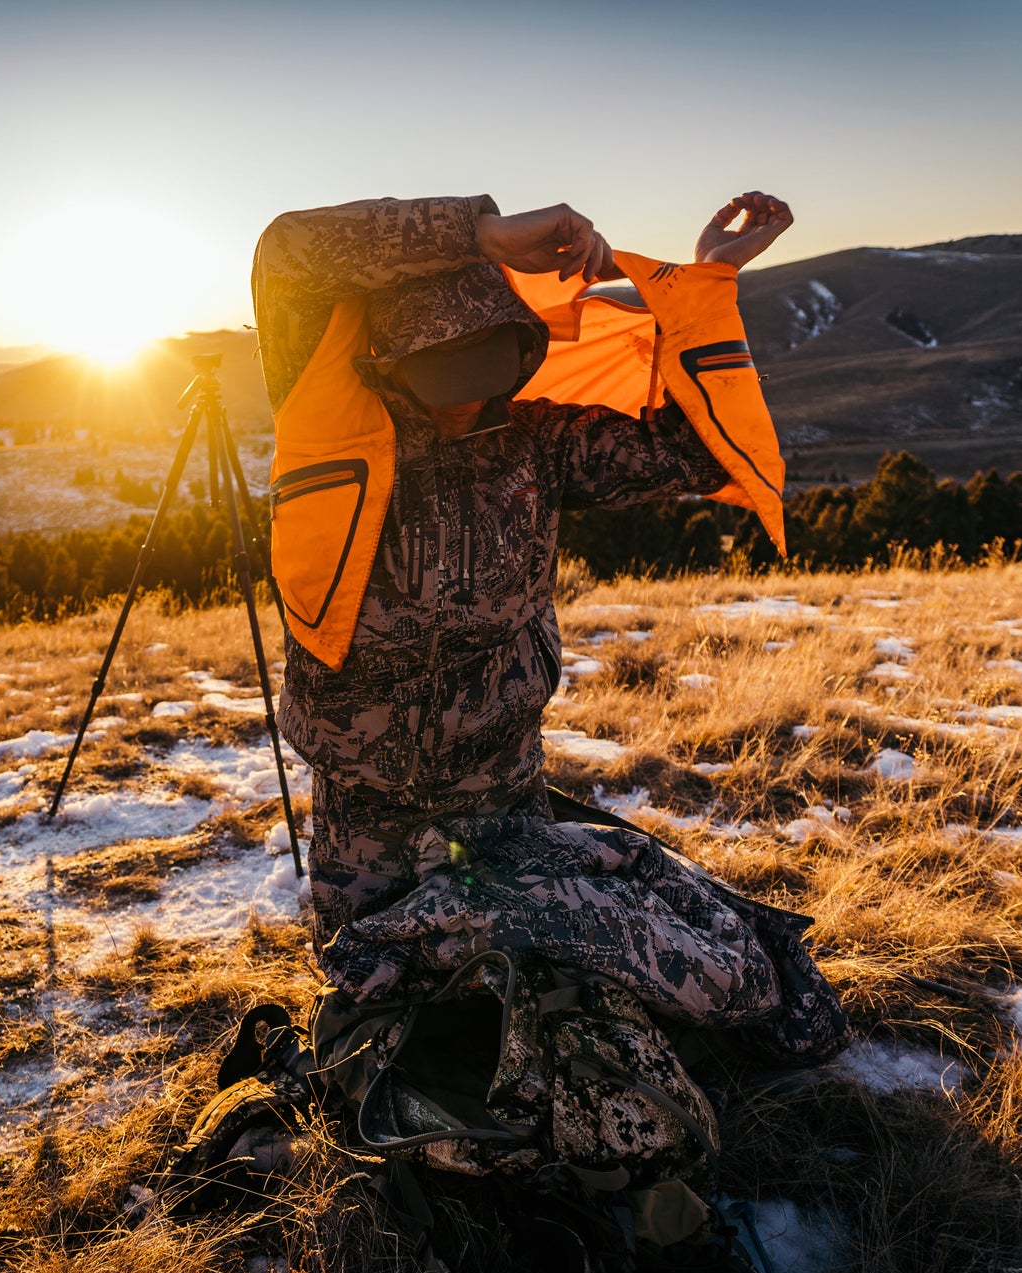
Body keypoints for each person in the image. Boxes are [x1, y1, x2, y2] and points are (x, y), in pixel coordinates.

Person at [251, 192, 795, 956]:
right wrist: (481, 231)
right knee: (364, 979)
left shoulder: (543, 441)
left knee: (515, 982)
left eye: (484, 362)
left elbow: (698, 450)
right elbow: (289, 250)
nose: (466, 397)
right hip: (362, 804)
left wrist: (702, 282)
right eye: (441, 365)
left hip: (501, 793)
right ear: (388, 361)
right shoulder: (329, 425)